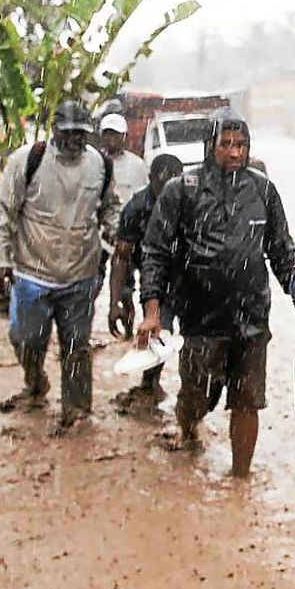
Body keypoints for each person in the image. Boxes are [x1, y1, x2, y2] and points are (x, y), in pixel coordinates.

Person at [137, 108, 295, 477]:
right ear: (210, 146)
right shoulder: (183, 190)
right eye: (226, 144)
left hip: (252, 318)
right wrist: (152, 310)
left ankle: (240, 479)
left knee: (248, 402)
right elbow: (156, 251)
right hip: (201, 317)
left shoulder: (263, 190)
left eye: (241, 145)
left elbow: (282, 251)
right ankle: (189, 429)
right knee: (197, 399)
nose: (235, 152)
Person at [0, 100, 120, 433]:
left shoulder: (100, 165)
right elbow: (3, 212)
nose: (76, 140)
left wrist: (118, 235)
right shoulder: (27, 161)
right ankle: (35, 382)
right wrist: (0, 262)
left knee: (77, 346)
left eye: (82, 134)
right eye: (69, 133)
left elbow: (110, 209)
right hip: (33, 272)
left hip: (80, 274)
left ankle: (76, 411)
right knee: (26, 339)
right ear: (55, 130)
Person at [106, 153, 184, 413]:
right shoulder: (136, 207)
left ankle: (188, 396)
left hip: (188, 279)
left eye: (173, 184)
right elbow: (121, 257)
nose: (167, 191)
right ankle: (150, 384)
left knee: (193, 343)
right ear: (150, 179)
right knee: (159, 330)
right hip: (154, 280)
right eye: (162, 184)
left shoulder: (190, 202)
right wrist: (117, 298)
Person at [94, 108, 148, 303]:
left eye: (115, 135)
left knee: (126, 289)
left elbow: (144, 199)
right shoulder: (95, 163)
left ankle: (127, 326)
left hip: (128, 236)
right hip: (99, 234)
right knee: (93, 283)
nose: (111, 140)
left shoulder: (137, 165)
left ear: (124, 137)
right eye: (107, 134)